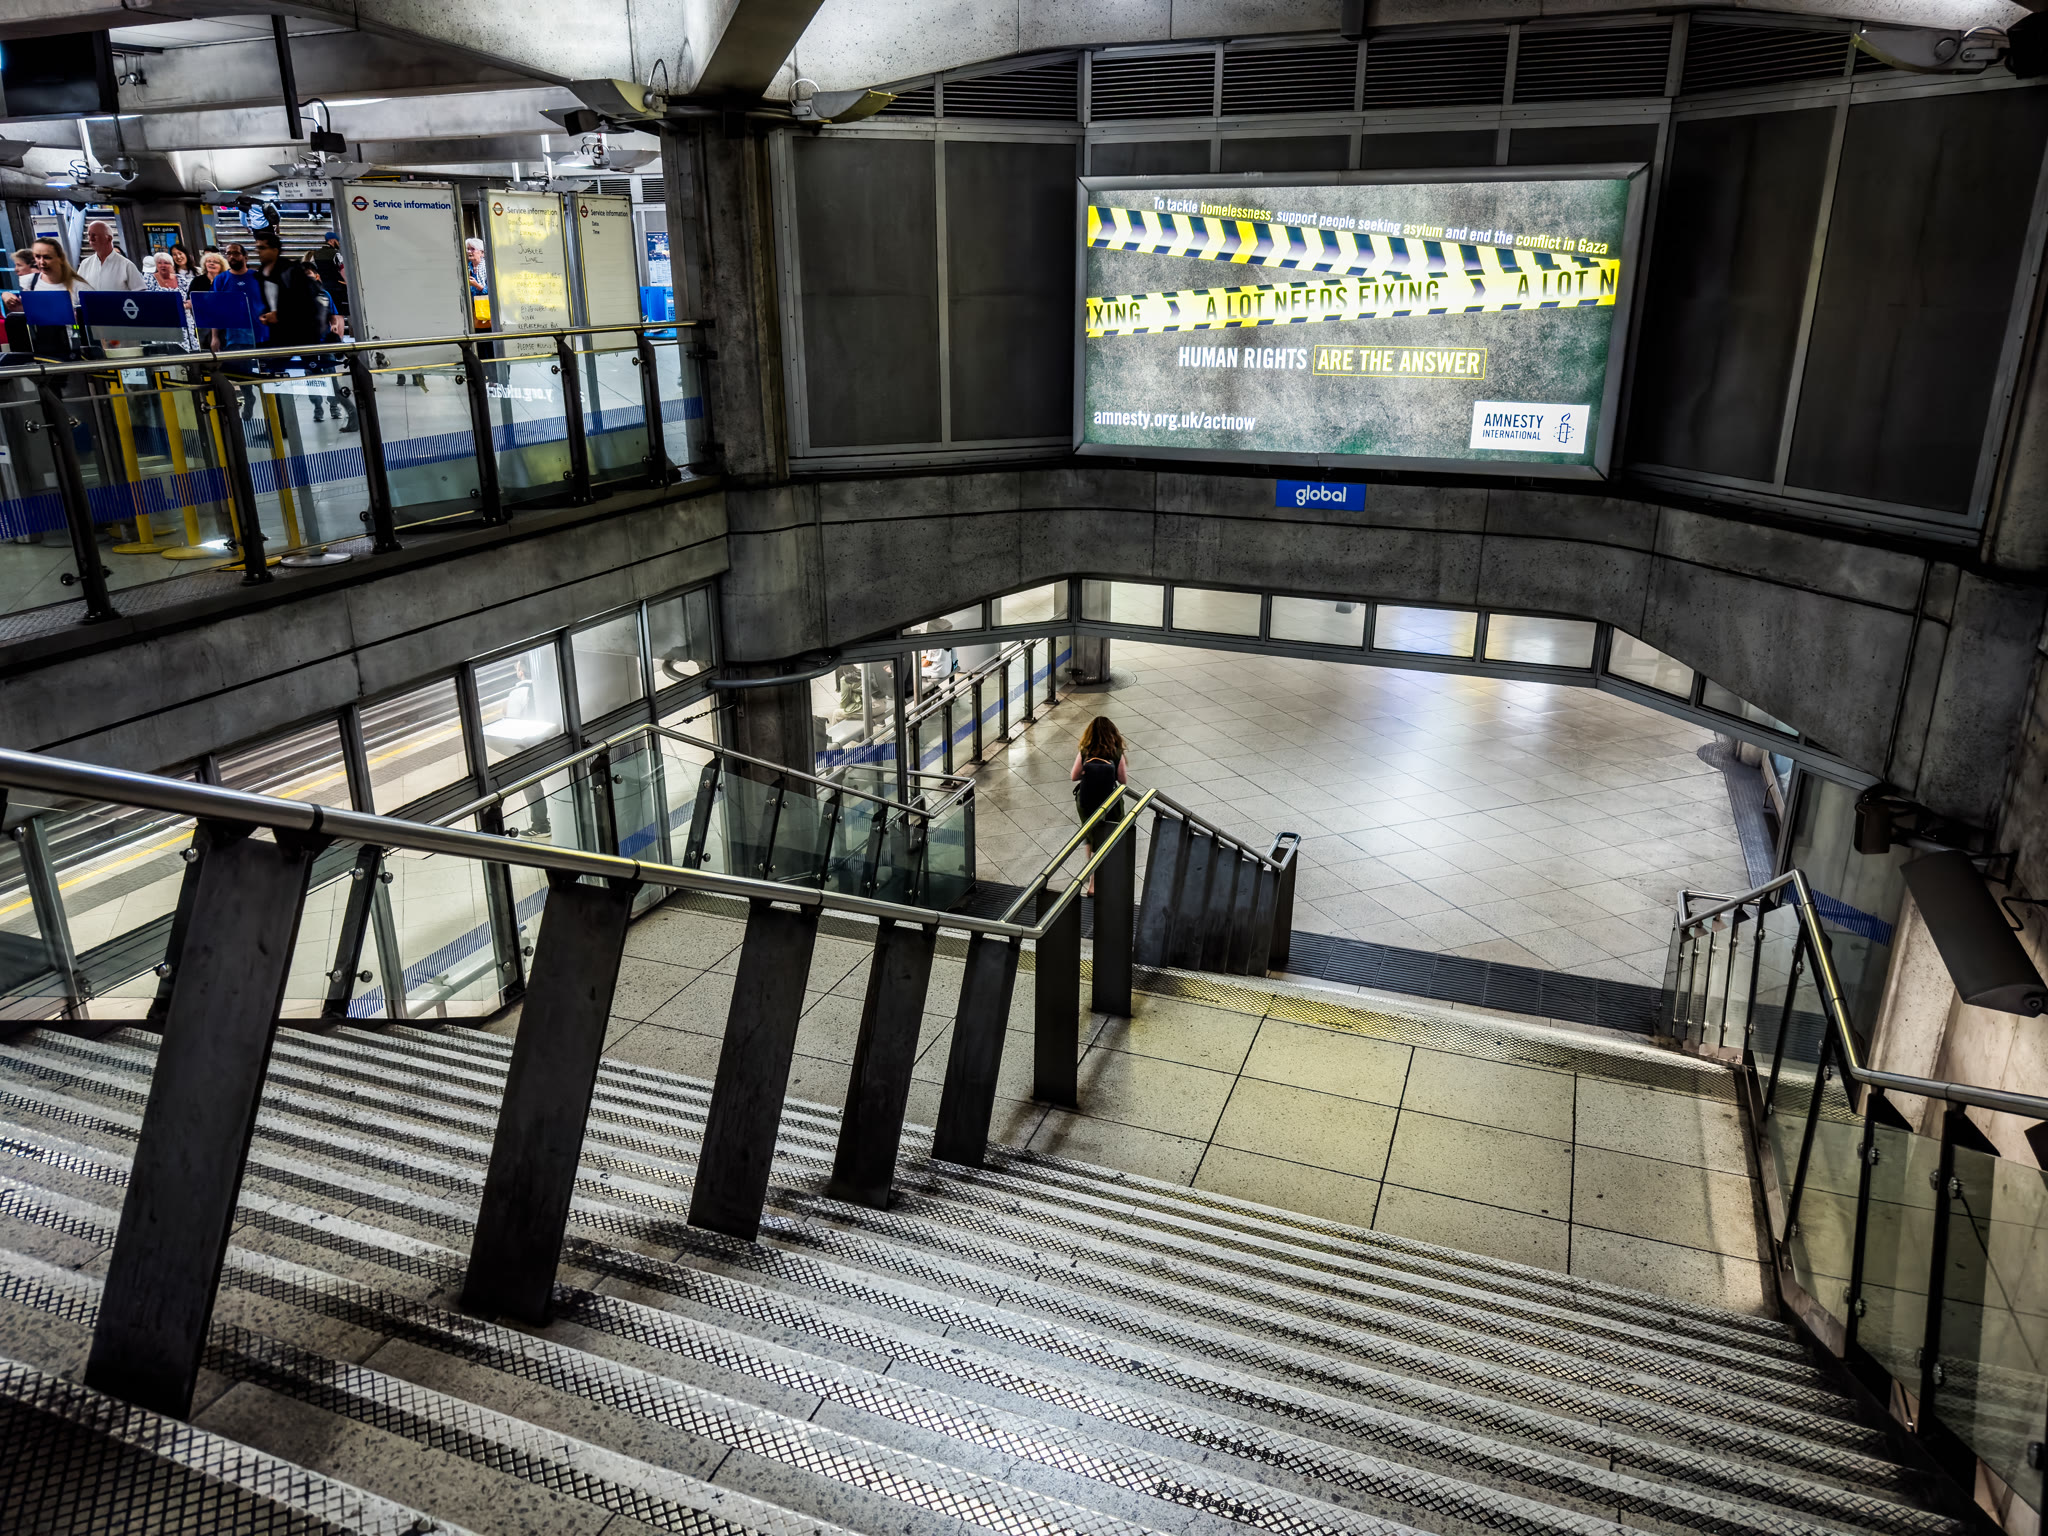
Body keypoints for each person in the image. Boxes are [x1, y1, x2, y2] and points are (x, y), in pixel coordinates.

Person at [1069, 716, 1129, 896]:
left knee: (1091, 836)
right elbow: (1123, 780)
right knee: (1106, 835)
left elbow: (1074, 776)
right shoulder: (1116, 752)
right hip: (1109, 801)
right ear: (1112, 733)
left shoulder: (1085, 751)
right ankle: (1095, 883)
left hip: (1086, 800)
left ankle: (1092, 872)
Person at [3, 238, 86, 358]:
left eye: (47, 257)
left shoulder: (77, 286)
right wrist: (10, 299)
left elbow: (88, 323)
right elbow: (27, 314)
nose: (42, 262)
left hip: (70, 344)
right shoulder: (31, 283)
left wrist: (77, 318)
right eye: (38, 257)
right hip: (41, 344)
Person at [252, 230, 324, 350]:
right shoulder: (261, 275)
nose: (258, 251)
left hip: (303, 331)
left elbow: (305, 302)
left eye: (262, 248)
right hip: (279, 333)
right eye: (257, 248)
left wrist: (279, 315)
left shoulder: (292, 271)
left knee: (311, 359)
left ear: (275, 250)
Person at [149, 251, 198, 350]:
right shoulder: (149, 279)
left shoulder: (181, 279)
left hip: (184, 321)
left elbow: (191, 299)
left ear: (172, 265)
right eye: (159, 263)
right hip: (162, 322)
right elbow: (148, 300)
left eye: (166, 263)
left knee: (187, 350)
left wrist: (187, 304)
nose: (163, 265)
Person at [77, 220, 146, 291]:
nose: (91, 239)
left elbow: (140, 294)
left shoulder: (127, 266)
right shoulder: (85, 265)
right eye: (89, 235)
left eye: (94, 235)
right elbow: (76, 291)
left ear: (109, 238)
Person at [311, 229, 348, 319]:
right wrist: (347, 282)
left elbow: (312, 270)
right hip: (336, 288)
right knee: (338, 312)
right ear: (331, 241)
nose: (339, 243)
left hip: (322, 288)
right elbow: (342, 270)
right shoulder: (336, 254)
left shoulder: (315, 254)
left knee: (325, 313)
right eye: (337, 241)